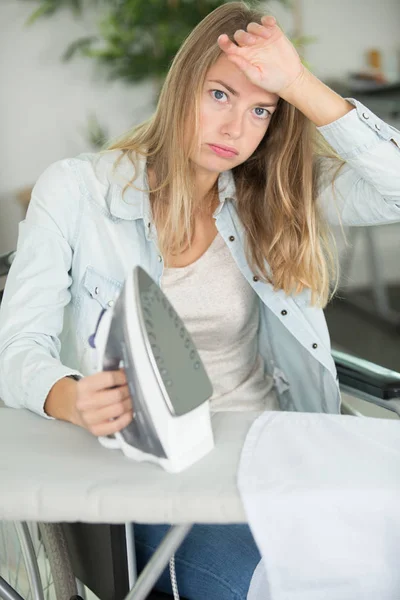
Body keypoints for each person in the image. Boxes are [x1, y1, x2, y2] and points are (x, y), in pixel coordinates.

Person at [1, 1, 400, 598]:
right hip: (153, 470)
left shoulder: (275, 195)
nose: (236, 129)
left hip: (271, 450)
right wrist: (70, 398)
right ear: (182, 85)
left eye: (261, 109)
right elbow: (16, 348)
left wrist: (299, 83)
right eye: (219, 95)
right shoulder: (78, 191)